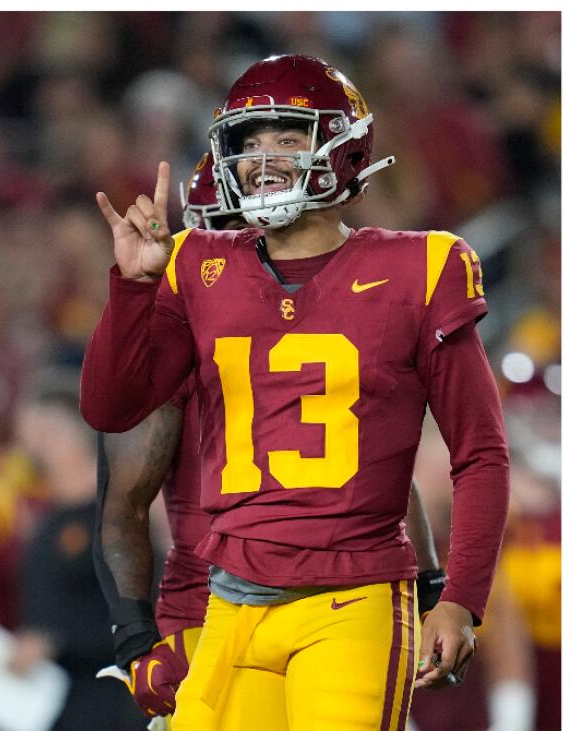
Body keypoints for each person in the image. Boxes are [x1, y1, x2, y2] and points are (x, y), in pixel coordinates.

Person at [81, 55, 509, 730]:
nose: (263, 158)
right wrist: (132, 287)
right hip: (230, 602)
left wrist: (458, 597)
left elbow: (479, 451)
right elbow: (109, 408)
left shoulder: (423, 266)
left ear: (343, 147)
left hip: (353, 599)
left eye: (288, 137)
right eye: (250, 142)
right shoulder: (198, 263)